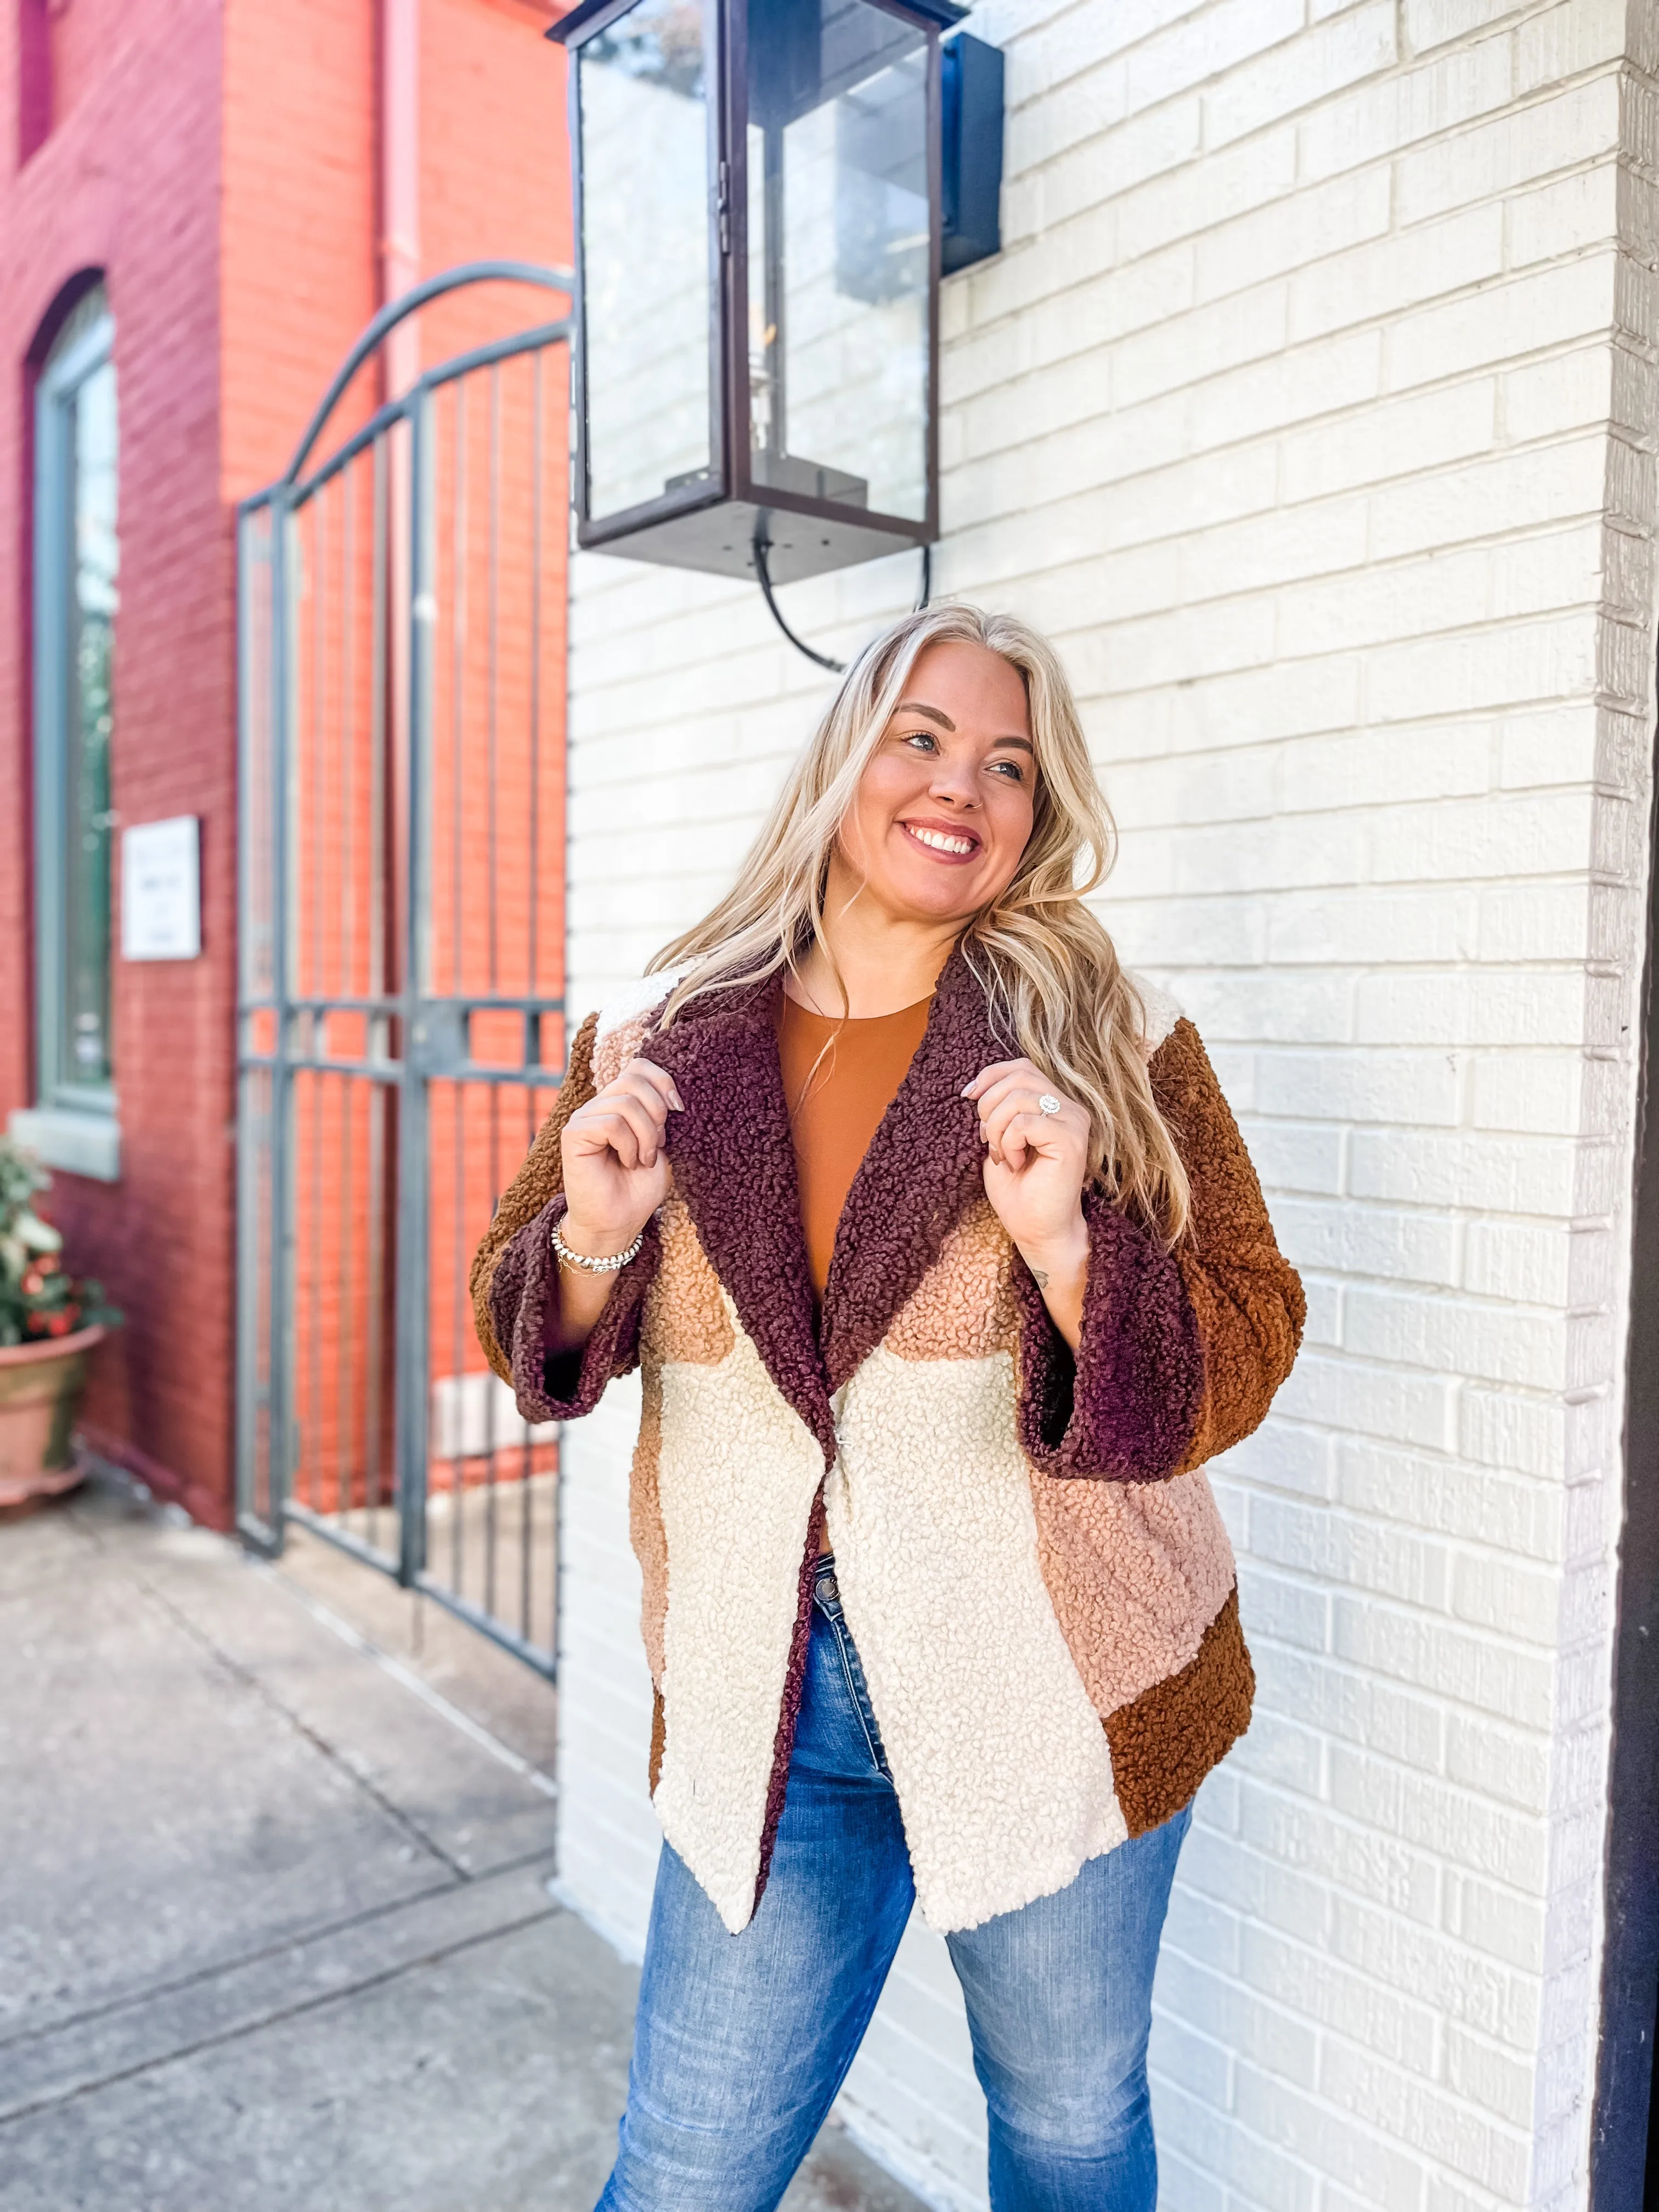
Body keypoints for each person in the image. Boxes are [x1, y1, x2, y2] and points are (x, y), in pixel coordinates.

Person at [471, 604, 1304, 2212]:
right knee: (687, 2167)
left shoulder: (1111, 1047)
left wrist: (1069, 1244)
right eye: (920, 735)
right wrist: (594, 1239)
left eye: (1008, 761)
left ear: (1036, 815)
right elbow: (531, 1325)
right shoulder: (654, 1046)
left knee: (1067, 2123)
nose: (959, 785)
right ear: (844, 761)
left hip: (1062, 1687)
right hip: (764, 1705)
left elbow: (1251, 1330)